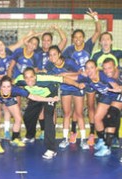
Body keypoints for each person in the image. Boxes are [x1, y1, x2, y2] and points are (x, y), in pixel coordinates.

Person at [14, 67, 84, 159]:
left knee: (48, 118)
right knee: (27, 116)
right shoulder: (19, 79)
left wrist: (78, 85)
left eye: (31, 77)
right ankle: (30, 136)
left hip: (50, 96)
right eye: (26, 78)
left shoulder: (45, 79)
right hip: (36, 96)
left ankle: (51, 149)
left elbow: (64, 79)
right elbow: (9, 83)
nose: (29, 80)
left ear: (35, 76)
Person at [62, 8, 101, 146]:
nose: (78, 39)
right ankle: (73, 131)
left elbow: (97, 32)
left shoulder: (88, 45)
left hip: (89, 81)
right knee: (75, 108)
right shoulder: (68, 50)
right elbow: (63, 63)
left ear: (83, 38)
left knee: (90, 106)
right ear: (73, 39)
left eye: (80, 37)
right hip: (76, 81)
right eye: (75, 37)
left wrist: (96, 19)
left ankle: (91, 133)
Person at [46, 45, 89, 150]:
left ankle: (83, 140)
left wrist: (65, 74)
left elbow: (81, 73)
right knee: (67, 113)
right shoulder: (50, 66)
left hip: (77, 87)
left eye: (54, 54)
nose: (52, 57)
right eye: (50, 55)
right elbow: (52, 78)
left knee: (79, 113)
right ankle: (65, 138)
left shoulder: (69, 62)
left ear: (59, 54)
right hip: (65, 89)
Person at [35, 25, 67, 140]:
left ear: (51, 41)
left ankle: (51, 130)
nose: (46, 42)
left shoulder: (54, 52)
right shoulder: (37, 52)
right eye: (44, 40)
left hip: (52, 83)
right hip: (40, 83)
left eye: (48, 40)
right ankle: (44, 131)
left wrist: (57, 28)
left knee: (51, 108)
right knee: (40, 109)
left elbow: (64, 40)